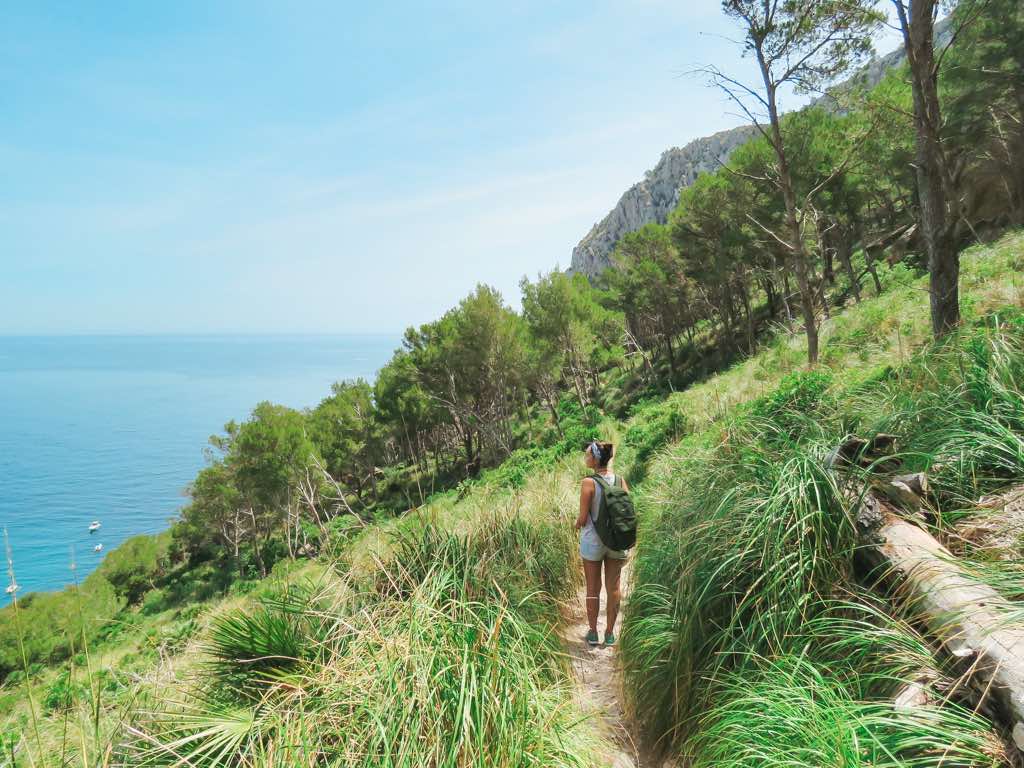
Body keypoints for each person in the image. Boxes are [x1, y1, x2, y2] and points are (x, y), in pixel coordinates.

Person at [575, 440, 628, 647]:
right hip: (615, 542)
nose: (586, 458)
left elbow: (582, 517)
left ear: (595, 459)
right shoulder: (620, 480)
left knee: (593, 588)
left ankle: (593, 633)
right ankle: (609, 634)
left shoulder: (588, 482)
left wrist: (576, 524)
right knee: (613, 588)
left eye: (588, 455)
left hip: (593, 543)